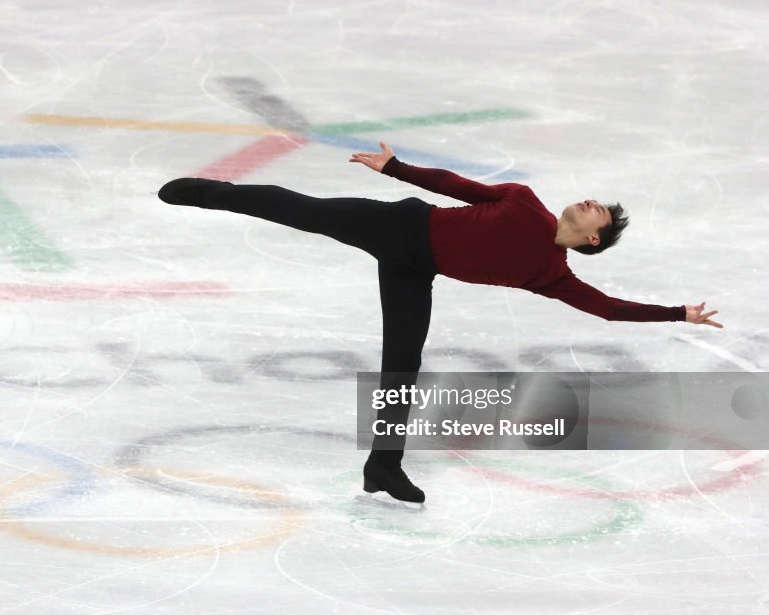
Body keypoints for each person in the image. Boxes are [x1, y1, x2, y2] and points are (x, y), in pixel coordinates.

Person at [157, 142, 723, 504]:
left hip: (414, 271)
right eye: (593, 200)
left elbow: (607, 307)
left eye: (596, 209)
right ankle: (207, 192)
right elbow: (458, 187)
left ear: (592, 238)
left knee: (401, 370)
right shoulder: (524, 201)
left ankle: (383, 467)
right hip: (396, 225)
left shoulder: (552, 273)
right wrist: (396, 168)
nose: (588, 201)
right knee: (300, 207)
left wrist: (677, 313)